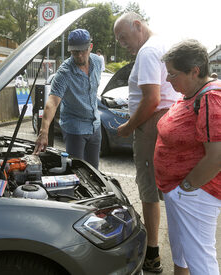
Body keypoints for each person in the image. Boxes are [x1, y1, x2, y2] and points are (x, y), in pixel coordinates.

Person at [114, 12, 180, 273]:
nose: (122, 44)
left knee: (148, 189)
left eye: (123, 37)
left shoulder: (148, 51)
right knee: (169, 189)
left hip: (151, 124)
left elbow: (151, 99)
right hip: (166, 120)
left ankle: (152, 253)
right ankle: (177, 252)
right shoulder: (163, 44)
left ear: (138, 26)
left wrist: (128, 126)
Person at [154, 39, 221, 275]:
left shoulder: (211, 98)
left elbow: (217, 157)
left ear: (194, 71)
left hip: (196, 193)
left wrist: (185, 187)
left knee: (201, 260)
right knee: (182, 251)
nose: (167, 80)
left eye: (172, 74)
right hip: (182, 191)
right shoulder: (192, 93)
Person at [33, 29, 102, 169]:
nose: (80, 55)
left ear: (90, 47)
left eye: (83, 50)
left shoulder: (97, 61)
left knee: (94, 171)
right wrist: (43, 132)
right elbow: (52, 103)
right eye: (75, 52)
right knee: (76, 171)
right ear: (70, 50)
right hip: (75, 128)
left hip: (95, 125)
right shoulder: (64, 72)